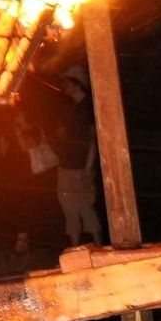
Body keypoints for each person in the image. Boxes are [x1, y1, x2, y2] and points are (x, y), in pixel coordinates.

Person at [52, 64, 104, 246]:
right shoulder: (71, 107)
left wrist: (88, 168)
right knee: (69, 208)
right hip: (66, 163)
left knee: (86, 207)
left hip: (81, 166)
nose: (64, 85)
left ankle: (100, 249)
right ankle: (75, 249)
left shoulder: (89, 106)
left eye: (67, 81)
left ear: (77, 83)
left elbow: (93, 139)